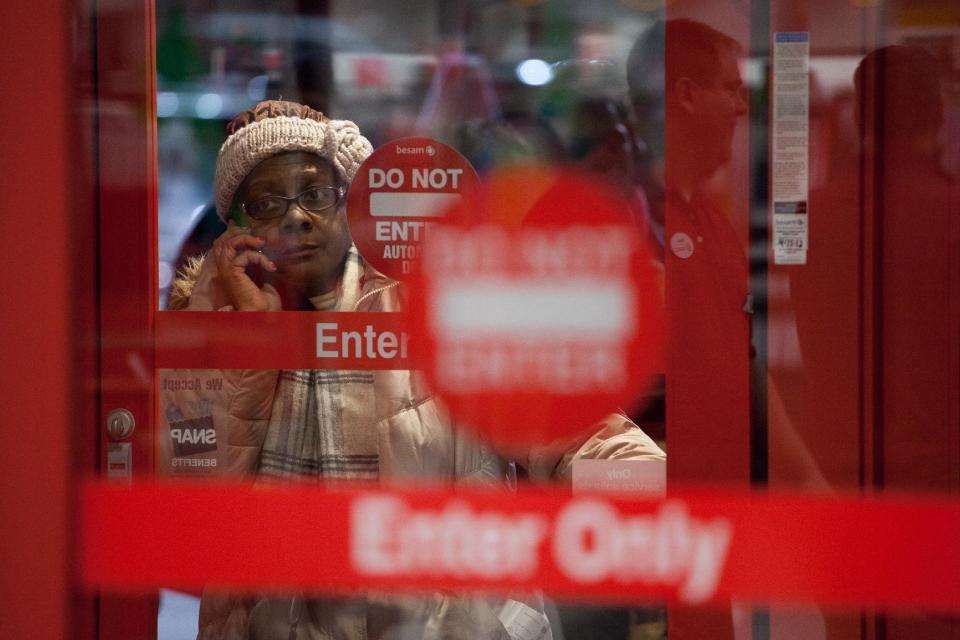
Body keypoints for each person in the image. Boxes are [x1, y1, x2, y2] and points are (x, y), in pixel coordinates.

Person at [161, 99, 665, 639]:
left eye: (315, 194)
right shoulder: (212, 324)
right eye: (265, 203)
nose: (294, 218)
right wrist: (246, 342)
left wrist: (637, 483)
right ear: (237, 223)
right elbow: (190, 510)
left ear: (352, 204)